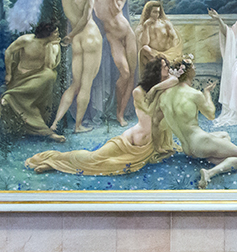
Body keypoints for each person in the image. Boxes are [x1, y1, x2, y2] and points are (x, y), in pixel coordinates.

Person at [24, 57, 176, 175]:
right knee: (94, 158)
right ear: (156, 71)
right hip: (128, 141)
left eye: (168, 66)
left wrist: (157, 88)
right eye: (165, 66)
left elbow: (175, 79)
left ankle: (53, 166)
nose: (168, 69)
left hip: (145, 147)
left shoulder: (162, 88)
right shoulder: (139, 91)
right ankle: (52, 160)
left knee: (108, 166)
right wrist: (156, 91)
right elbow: (148, 114)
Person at [155, 59, 237, 189]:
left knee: (224, 135)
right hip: (200, 143)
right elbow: (211, 114)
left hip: (187, 148)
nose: (195, 68)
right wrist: (207, 94)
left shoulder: (164, 96)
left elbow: (156, 122)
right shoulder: (194, 94)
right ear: (188, 72)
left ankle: (212, 159)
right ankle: (209, 172)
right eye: (193, 66)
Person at [49, 0, 103, 135]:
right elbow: (85, 21)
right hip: (90, 37)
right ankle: (78, 126)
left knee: (75, 84)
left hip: (77, 40)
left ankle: (55, 123)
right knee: (86, 85)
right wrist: (70, 36)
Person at [0, 22, 65, 142]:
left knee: (50, 75)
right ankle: (11, 96)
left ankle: (11, 97)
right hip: (21, 77)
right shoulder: (26, 40)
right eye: (55, 32)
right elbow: (8, 52)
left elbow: (50, 66)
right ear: (47, 34)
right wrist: (8, 73)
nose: (58, 34)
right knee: (25, 102)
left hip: (38, 79)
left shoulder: (52, 45)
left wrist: (51, 46)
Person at [92, 0, 138, 127]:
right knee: (124, 74)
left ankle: (120, 114)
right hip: (113, 38)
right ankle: (117, 109)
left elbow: (116, 10)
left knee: (131, 75)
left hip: (128, 35)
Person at [136, 0, 183, 70]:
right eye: (154, 12)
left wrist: (173, 53)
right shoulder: (143, 26)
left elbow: (174, 38)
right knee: (145, 49)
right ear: (149, 12)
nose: (156, 15)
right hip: (154, 55)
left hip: (168, 54)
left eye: (158, 12)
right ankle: (160, 65)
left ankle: (163, 64)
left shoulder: (165, 24)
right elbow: (144, 43)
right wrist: (146, 27)